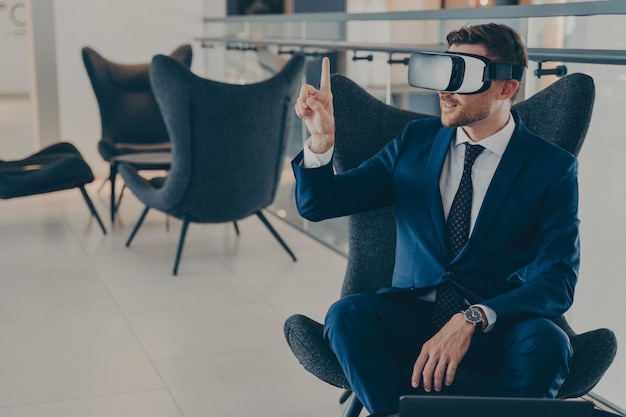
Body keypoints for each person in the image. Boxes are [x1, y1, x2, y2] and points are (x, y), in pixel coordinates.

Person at [291, 23, 579, 416]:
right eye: (444, 72)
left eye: (461, 76)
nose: (445, 89)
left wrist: (473, 317)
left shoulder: (551, 167)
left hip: (495, 326)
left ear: (506, 87)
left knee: (548, 340)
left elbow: (557, 282)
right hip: (411, 317)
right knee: (348, 314)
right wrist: (321, 144)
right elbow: (320, 204)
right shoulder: (414, 142)